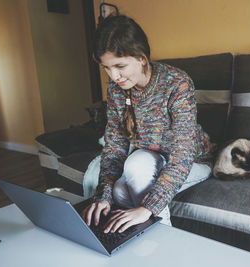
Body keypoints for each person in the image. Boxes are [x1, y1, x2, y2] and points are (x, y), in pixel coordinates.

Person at [81, 14, 214, 234]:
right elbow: (115, 146)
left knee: (134, 176)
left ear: (142, 58)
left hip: (193, 160)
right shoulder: (116, 90)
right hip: (153, 156)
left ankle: (163, 243)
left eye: (120, 66)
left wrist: (147, 208)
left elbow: (182, 155)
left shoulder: (177, 83)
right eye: (106, 68)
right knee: (118, 190)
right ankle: (130, 242)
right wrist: (103, 196)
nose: (114, 76)